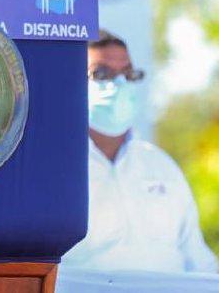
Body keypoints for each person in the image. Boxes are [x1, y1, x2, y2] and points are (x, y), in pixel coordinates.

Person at [62, 30, 218, 273]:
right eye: (101, 74)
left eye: (128, 74)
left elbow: (200, 263)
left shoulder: (161, 166)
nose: (119, 84)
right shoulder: (55, 170)